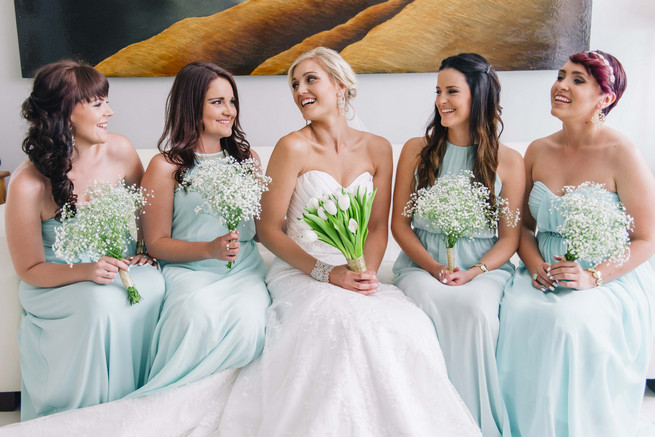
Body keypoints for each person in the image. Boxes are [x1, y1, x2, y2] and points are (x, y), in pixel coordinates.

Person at [217, 47, 481, 436]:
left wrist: (365, 272)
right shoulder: (292, 147)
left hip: (357, 273)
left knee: (404, 325)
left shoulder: (377, 148)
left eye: (310, 80)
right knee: (340, 326)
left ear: (340, 86)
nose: (300, 91)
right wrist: (328, 273)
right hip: (304, 272)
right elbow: (268, 229)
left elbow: (376, 227)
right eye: (294, 84)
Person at [496, 51, 655, 436]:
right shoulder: (537, 150)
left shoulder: (622, 153)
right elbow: (526, 229)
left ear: (606, 99)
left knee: (566, 322)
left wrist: (592, 277)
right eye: (561, 75)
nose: (561, 85)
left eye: (578, 80)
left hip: (606, 276)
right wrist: (535, 266)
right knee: (515, 313)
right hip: (542, 272)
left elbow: (647, 239)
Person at [5, 60, 164, 420]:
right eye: (97, 104)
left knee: (154, 285)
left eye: (106, 101)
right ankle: (88, 418)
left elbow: (145, 210)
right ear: (66, 113)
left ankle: (137, 410)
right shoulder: (28, 184)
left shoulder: (121, 150)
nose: (110, 111)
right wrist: (87, 270)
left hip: (116, 268)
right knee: (99, 306)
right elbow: (29, 269)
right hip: (59, 279)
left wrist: (143, 250)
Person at [391, 53, 524, 436]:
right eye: (438, 91)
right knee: (424, 304)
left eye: (452, 91)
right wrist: (433, 268)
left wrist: (475, 271)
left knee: (476, 313)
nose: (441, 100)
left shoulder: (510, 162)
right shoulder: (416, 150)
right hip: (422, 267)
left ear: (478, 97)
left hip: (483, 270)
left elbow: (510, 238)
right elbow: (400, 225)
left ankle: (471, 423)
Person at [129, 62, 270, 397]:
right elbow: (157, 243)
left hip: (243, 271)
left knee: (250, 322)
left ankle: (229, 405)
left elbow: (262, 230)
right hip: (189, 270)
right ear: (192, 107)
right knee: (195, 315)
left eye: (231, 101)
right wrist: (209, 249)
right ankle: (175, 399)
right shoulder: (165, 167)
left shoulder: (247, 159)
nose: (229, 111)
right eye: (217, 102)